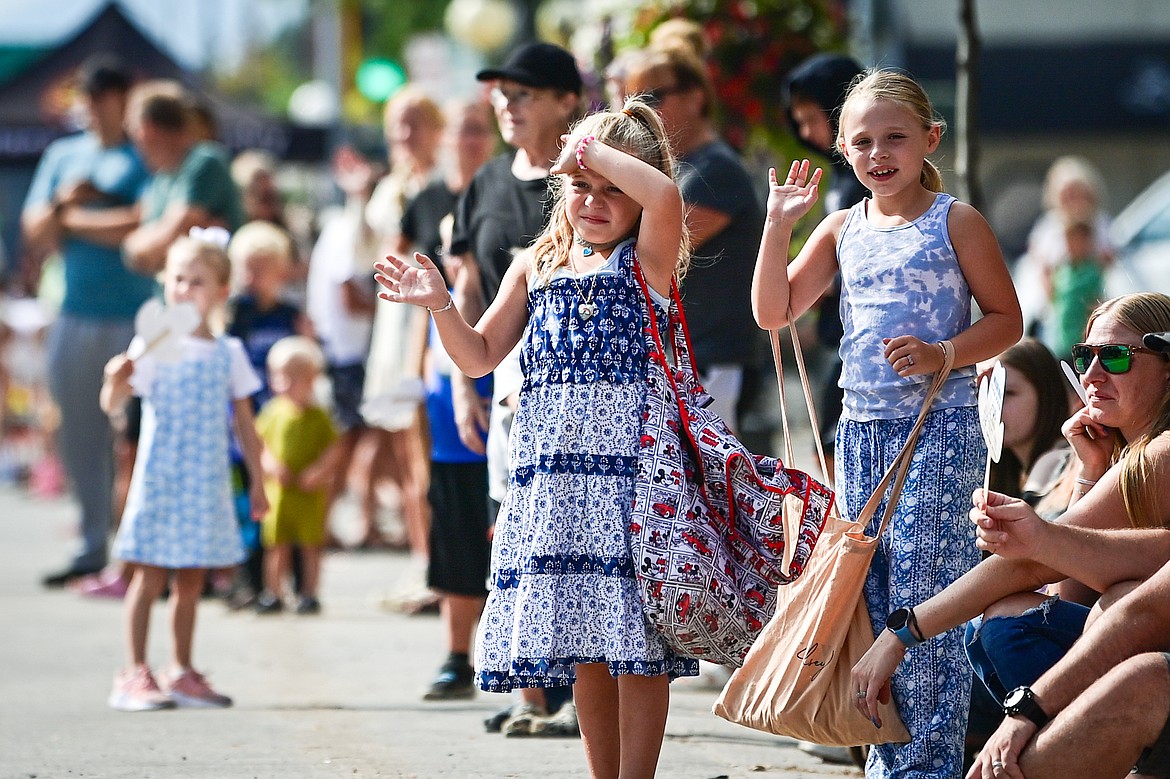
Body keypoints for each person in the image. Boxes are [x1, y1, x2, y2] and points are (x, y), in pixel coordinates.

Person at [375, 97, 698, 778]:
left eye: (615, 187)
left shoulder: (648, 259)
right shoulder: (536, 263)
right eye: (581, 186)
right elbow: (478, 354)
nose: (595, 199)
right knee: (584, 641)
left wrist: (585, 147)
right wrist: (439, 303)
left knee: (637, 642)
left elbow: (665, 192)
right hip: (556, 480)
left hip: (632, 478)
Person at [752, 69, 1023, 777]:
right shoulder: (842, 228)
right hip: (861, 431)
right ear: (844, 150)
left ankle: (922, 765)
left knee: (923, 599)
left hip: (940, 426)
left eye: (895, 138)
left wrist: (944, 353)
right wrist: (779, 224)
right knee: (868, 599)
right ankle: (886, 753)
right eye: (864, 141)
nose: (880, 153)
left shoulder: (955, 220)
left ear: (930, 139)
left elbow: (1008, 320)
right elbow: (773, 310)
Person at [850, 293, 1170, 765]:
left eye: (1117, 356)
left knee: (1006, 626)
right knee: (1010, 620)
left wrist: (903, 632)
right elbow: (1069, 592)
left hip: (1147, 675)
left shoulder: (1159, 453)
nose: (1093, 375)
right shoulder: (1124, 452)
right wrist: (1091, 470)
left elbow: (1033, 566)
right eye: (1085, 356)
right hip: (1133, 661)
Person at [448, 40, 584, 734]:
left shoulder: (595, 178)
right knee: (515, 526)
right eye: (501, 94)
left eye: (522, 93)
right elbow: (466, 280)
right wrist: (461, 383)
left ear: (568, 100)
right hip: (506, 369)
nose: (507, 104)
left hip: (588, 380)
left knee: (580, 534)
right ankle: (532, 691)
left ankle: (584, 691)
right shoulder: (487, 182)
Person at [99, 230, 268, 711]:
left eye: (197, 281)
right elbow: (113, 403)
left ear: (220, 291)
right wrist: (114, 381)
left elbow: (245, 424)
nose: (184, 289)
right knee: (149, 575)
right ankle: (133, 672)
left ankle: (182, 670)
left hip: (205, 481)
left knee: (191, 579)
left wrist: (257, 480)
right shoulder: (153, 344)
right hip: (161, 479)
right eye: (177, 279)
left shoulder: (227, 352)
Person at [21, 54, 154, 588]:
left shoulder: (143, 153)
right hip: (76, 313)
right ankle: (91, 543)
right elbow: (36, 230)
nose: (93, 109)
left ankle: (141, 545)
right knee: (78, 431)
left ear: (124, 99)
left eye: (103, 97)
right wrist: (63, 206)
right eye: (88, 98)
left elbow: (141, 223)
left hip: (137, 314)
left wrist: (73, 220)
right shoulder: (63, 155)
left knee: (139, 434)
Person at [623, 43, 764, 431]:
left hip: (711, 361)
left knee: (715, 489)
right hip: (690, 362)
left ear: (696, 96)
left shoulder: (715, 170)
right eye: (631, 102)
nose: (641, 114)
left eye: (652, 98)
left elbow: (654, 249)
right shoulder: (685, 169)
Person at [782, 52, 867, 484]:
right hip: (838, 336)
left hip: (863, 342)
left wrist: (819, 284)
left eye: (811, 117)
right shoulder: (838, 176)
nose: (805, 132)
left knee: (835, 448)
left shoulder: (866, 179)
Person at [305, 146, 382, 550]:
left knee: (362, 436)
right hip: (349, 351)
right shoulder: (347, 229)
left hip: (343, 349)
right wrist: (391, 312)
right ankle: (328, 521)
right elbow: (349, 297)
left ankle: (354, 520)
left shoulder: (341, 226)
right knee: (355, 438)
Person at [122, 80, 245, 277]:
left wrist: (155, 240)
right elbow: (137, 250)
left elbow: (158, 245)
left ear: (147, 129)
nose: (133, 141)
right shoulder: (161, 178)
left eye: (132, 129)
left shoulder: (204, 161)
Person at [254, 336, 340, 615]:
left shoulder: (319, 416)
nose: (286, 384)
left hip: (309, 493)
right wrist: (270, 465)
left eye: (295, 378)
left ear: (312, 380)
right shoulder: (273, 412)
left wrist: (319, 471)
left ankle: (309, 593)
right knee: (276, 546)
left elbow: (333, 449)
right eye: (281, 377)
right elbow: (260, 443)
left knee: (310, 546)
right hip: (278, 494)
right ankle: (273, 591)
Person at [1042, 219, 1108, 361]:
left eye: (1077, 240)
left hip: (1083, 337)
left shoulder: (1093, 270)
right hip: (1061, 338)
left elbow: (1098, 300)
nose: (1070, 245)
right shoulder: (1062, 270)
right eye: (1068, 240)